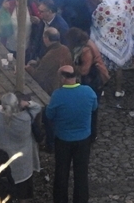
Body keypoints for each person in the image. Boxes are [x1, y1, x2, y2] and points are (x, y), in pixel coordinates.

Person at [46, 65, 98, 203]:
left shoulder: (57, 95)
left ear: (62, 78)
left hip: (63, 139)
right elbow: (94, 108)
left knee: (61, 174)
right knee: (81, 174)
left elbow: (49, 115)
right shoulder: (89, 92)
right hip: (83, 139)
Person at [0, 92, 42, 201]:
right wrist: (27, 103)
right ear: (17, 104)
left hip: (2, 165)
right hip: (23, 165)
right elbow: (37, 107)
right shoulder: (26, 118)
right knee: (21, 195)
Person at [91, 0, 134, 97]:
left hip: (105, 39)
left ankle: (102, 89)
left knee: (103, 66)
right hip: (120, 39)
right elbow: (128, 19)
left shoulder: (104, 5)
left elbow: (96, 19)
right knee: (118, 67)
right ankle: (119, 90)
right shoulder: (124, 3)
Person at [27, 27, 73, 95]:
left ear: (47, 39)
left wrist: (28, 68)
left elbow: (38, 76)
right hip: (65, 84)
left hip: (52, 89)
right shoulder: (65, 49)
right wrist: (38, 63)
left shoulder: (50, 55)